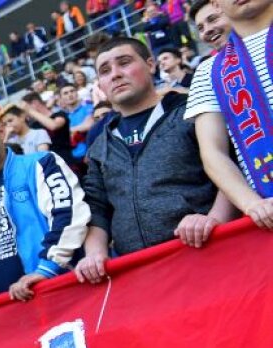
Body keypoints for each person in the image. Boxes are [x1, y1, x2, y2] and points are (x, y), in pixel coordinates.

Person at [77, 37, 236, 282]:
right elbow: (97, 207)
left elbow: (231, 164)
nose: (116, 75)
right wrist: (95, 254)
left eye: (125, 62)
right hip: (143, 276)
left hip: (209, 255)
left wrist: (214, 220)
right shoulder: (100, 144)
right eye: (105, 71)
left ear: (151, 65)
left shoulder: (191, 113)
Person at [0, 107, 91, 320]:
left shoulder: (41, 163)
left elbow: (68, 216)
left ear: (1, 131)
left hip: (61, 299)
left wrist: (45, 270)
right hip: (7, 317)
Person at [187, 0, 273, 230]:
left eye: (211, 21)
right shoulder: (207, 71)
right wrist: (253, 204)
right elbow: (212, 152)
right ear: (216, 2)